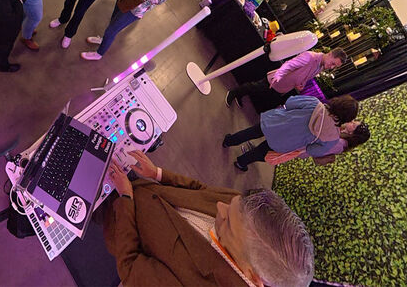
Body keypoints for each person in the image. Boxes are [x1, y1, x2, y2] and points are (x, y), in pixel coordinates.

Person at [104, 150, 315, 286]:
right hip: (134, 187)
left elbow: (130, 265)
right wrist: (158, 173)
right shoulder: (244, 208)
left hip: (116, 216)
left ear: (253, 276)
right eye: (234, 204)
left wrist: (125, 199)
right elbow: (201, 190)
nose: (220, 207)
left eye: (229, 225)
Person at [223, 94, 359, 171]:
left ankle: (229, 141)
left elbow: (290, 102)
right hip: (287, 143)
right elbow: (313, 151)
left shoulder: (315, 103)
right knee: (261, 151)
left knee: (252, 132)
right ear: (347, 118)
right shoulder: (333, 138)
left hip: (277, 122)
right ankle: (241, 162)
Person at [226, 48, 347, 107]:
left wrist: (301, 85)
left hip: (285, 87)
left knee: (257, 91)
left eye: (334, 66)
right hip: (278, 79)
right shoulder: (310, 57)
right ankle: (233, 92)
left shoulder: (321, 67)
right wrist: (278, 75)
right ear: (330, 53)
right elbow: (290, 64)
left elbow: (304, 75)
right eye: (333, 63)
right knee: (255, 87)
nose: (331, 67)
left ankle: (239, 94)